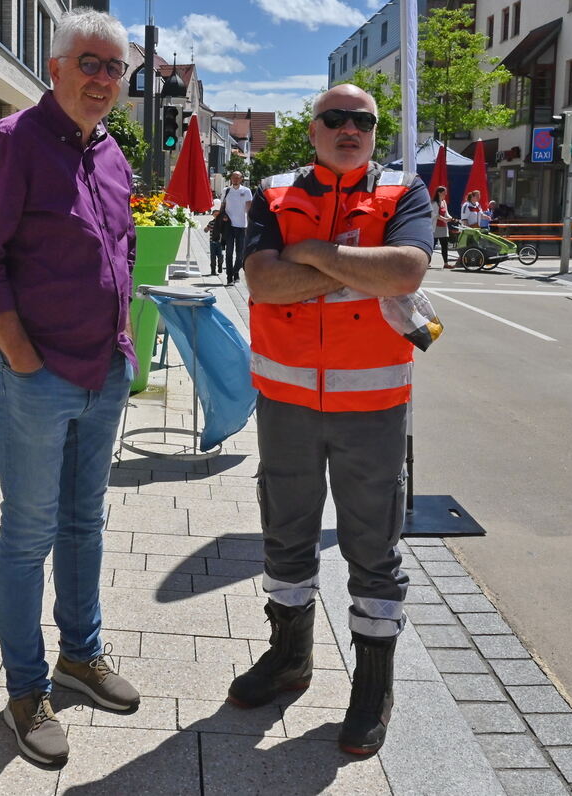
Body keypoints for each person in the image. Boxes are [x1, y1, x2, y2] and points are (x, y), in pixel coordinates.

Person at [0, 8, 140, 767]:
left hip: (106, 370)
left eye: (113, 69)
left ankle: (80, 657)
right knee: (29, 535)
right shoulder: (11, 144)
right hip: (36, 376)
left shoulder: (112, 154)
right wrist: (24, 360)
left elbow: (120, 248)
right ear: (56, 67)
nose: (101, 80)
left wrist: (123, 343)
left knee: (84, 523)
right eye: (88, 64)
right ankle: (26, 690)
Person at [234, 84, 432, 757]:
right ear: (313, 130)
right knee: (286, 536)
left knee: (373, 550)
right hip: (287, 400)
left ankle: (373, 686)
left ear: (375, 132)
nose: (349, 128)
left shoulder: (406, 192)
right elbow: (262, 283)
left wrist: (312, 252)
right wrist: (354, 266)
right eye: (334, 118)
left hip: (373, 407)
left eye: (363, 120)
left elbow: (406, 271)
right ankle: (290, 659)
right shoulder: (273, 192)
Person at [221, 171, 254, 284]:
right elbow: (222, 207)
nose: (235, 179)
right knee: (229, 252)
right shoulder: (226, 191)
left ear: (241, 179)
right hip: (229, 226)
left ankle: (236, 271)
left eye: (237, 178)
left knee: (240, 254)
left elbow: (249, 209)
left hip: (242, 226)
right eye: (233, 177)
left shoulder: (246, 191)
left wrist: (251, 226)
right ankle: (229, 277)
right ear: (231, 178)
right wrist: (223, 216)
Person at [432, 186, 454, 268]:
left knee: (444, 245)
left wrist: (450, 217)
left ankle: (446, 263)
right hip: (435, 227)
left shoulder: (444, 202)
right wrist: (444, 219)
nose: (446, 194)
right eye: (444, 192)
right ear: (439, 193)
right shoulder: (434, 203)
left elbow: (446, 213)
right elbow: (435, 215)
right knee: (432, 245)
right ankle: (426, 262)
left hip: (443, 227)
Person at [205, 209, 225, 276]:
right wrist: (207, 229)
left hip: (220, 243)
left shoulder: (222, 223)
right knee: (212, 257)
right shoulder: (211, 223)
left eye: (218, 215)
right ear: (213, 215)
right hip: (212, 242)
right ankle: (213, 270)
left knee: (220, 256)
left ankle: (220, 265)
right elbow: (205, 230)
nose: (216, 216)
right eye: (215, 214)